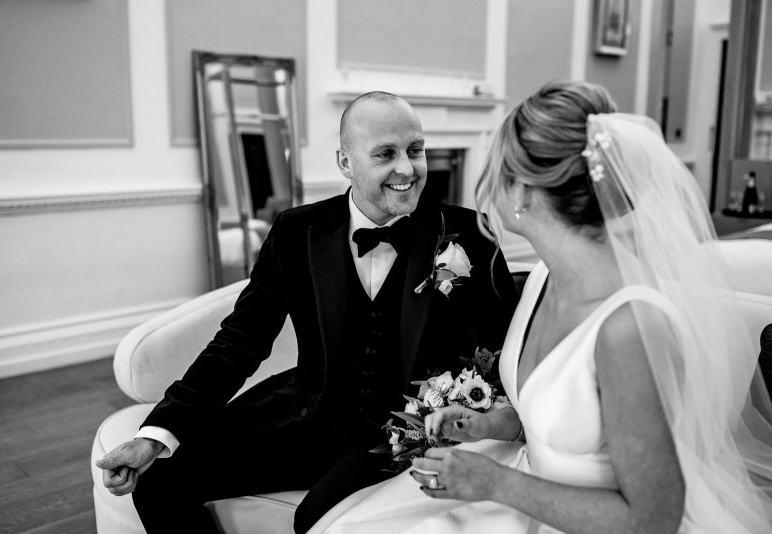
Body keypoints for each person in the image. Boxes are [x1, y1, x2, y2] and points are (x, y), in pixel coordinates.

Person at [308, 81, 772, 533]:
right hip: (522, 481)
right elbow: (563, 422)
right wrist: (489, 423)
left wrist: (494, 482)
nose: (490, 184)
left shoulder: (629, 327)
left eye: (502, 170)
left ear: (527, 194)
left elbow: (652, 520)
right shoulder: (546, 276)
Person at [95, 91, 518, 533]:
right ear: (345, 162)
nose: (408, 169)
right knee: (158, 478)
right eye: (385, 154)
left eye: (416, 150)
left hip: (400, 434)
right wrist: (157, 432)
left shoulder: (470, 235)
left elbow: (505, 351)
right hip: (308, 410)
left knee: (317, 520)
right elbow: (239, 342)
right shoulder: (297, 231)